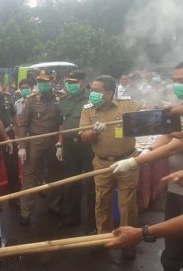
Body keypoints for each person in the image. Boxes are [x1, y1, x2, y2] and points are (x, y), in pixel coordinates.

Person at [110, 61, 183, 270]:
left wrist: (135, 160)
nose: (179, 86)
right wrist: (148, 151)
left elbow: (177, 144)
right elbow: (169, 135)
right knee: (173, 248)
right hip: (176, 186)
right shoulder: (179, 107)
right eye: (177, 81)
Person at [79, 75, 145, 260]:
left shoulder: (127, 105)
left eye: (96, 91)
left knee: (127, 204)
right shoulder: (88, 110)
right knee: (102, 201)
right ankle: (104, 237)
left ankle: (128, 241)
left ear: (108, 93)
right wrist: (94, 131)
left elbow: (147, 114)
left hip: (127, 161)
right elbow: (84, 136)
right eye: (91, 89)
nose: (92, 93)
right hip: (101, 162)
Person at [17, 70, 63, 226]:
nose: (43, 85)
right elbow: (22, 124)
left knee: (55, 174)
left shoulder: (59, 99)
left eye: (46, 82)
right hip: (35, 142)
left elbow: (61, 123)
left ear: (51, 82)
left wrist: (60, 143)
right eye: (40, 83)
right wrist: (22, 146)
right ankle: (26, 211)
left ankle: (53, 204)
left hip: (53, 142)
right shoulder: (30, 101)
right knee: (30, 175)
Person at [57, 70, 95, 230]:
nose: (69, 85)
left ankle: (93, 222)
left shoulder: (92, 99)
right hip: (70, 146)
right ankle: (72, 217)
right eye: (68, 82)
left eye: (73, 82)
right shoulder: (64, 100)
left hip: (88, 145)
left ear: (82, 83)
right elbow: (61, 124)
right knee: (71, 182)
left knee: (91, 184)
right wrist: (60, 144)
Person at [0, 79, 20, 208]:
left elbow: (15, 118)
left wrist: (18, 137)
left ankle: (15, 196)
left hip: (9, 135)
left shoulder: (7, 99)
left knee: (13, 165)